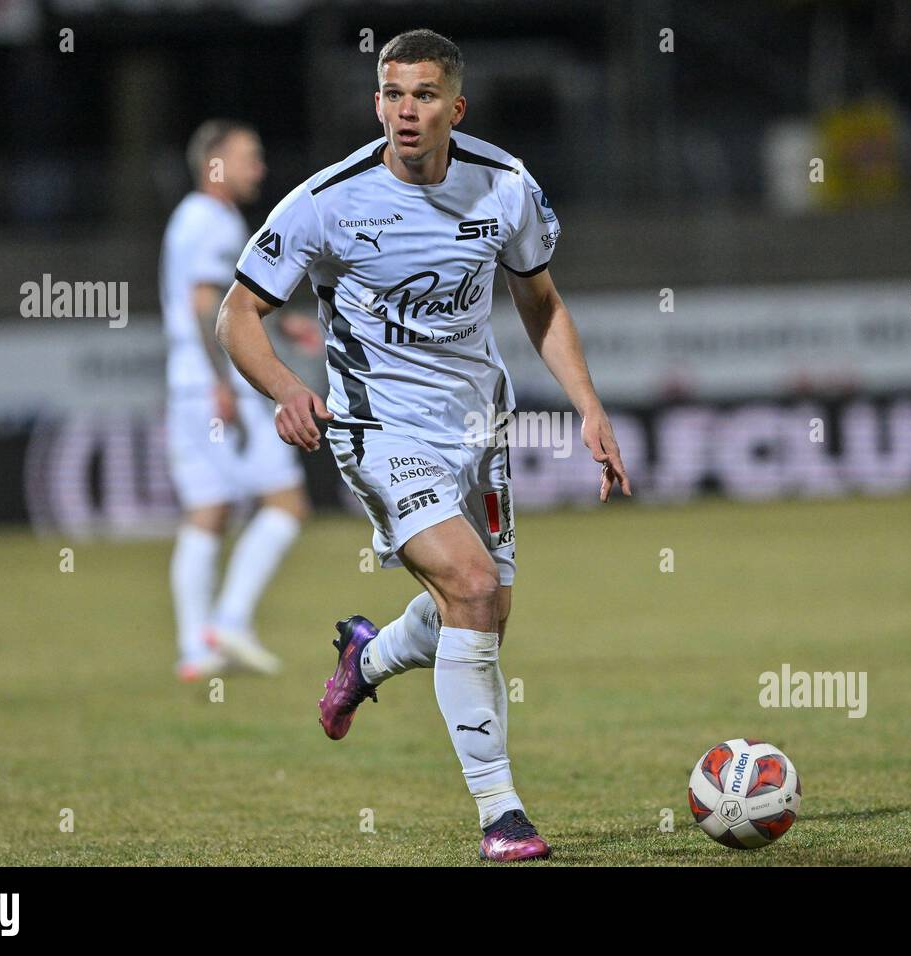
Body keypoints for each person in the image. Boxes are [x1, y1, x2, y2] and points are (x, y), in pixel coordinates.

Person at [216, 30, 631, 862]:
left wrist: (588, 404)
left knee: (483, 617)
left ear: (456, 107)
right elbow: (236, 314)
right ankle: (501, 814)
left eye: (425, 95)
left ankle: (367, 661)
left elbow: (540, 303)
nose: (407, 111)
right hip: (378, 431)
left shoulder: (506, 186)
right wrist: (290, 390)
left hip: (478, 428)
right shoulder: (329, 201)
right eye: (393, 94)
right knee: (472, 586)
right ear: (377, 102)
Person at [160, 120, 311, 682]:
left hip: (185, 387)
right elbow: (206, 306)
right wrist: (222, 380)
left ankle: (196, 650)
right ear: (215, 162)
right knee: (287, 504)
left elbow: (216, 299)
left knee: (207, 512)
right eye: (250, 156)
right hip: (213, 385)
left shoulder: (187, 219)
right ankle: (231, 618)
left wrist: (287, 321)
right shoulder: (216, 221)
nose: (260, 168)